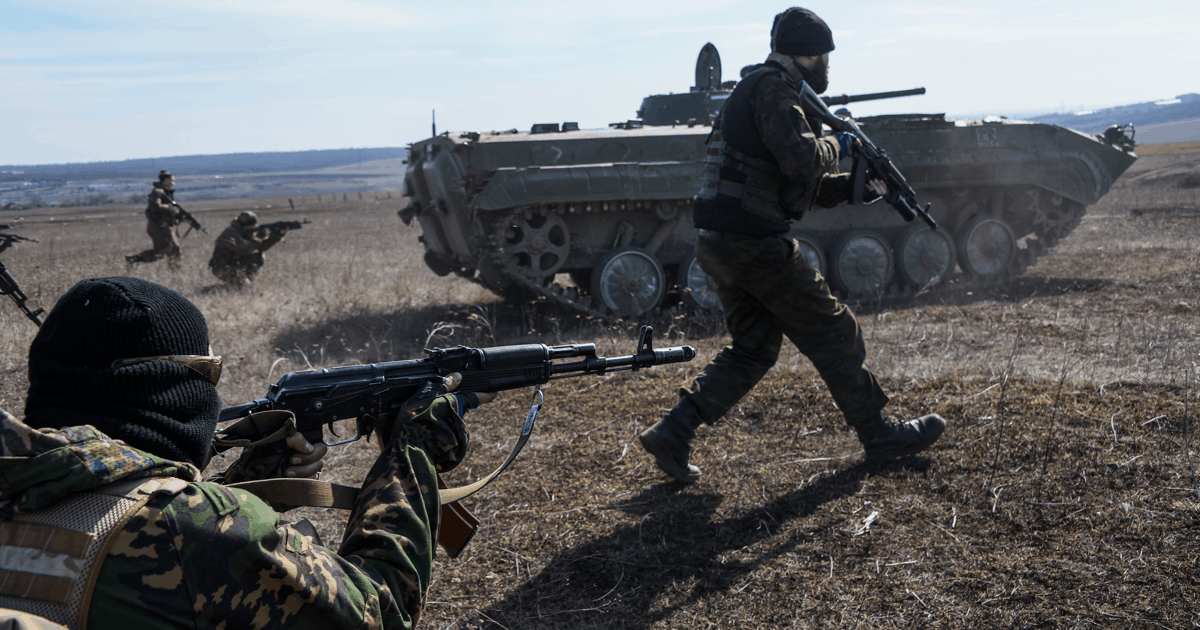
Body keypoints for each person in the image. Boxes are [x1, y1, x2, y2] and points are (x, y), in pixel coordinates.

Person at [0, 276, 487, 628]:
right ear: (160, 384)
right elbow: (380, 612)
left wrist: (249, 481)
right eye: (209, 370)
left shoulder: (22, 481)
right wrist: (413, 448)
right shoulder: (203, 528)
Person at [638, 7, 945, 484]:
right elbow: (803, 160)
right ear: (808, 53)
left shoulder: (766, 92)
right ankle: (878, 435)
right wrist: (843, 143)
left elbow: (796, 187)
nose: (828, 66)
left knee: (754, 348)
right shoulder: (773, 90)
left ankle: (672, 431)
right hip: (753, 244)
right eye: (825, 56)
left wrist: (854, 188)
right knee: (836, 330)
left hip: (723, 242)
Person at [209, 211, 283, 286]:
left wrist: (276, 236)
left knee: (259, 257)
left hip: (235, 264)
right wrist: (258, 237)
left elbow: (261, 248)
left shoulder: (243, 232)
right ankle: (213, 289)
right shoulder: (231, 232)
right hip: (222, 268)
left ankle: (247, 279)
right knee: (245, 287)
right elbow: (246, 250)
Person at [126, 171, 183, 266]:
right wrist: (169, 207)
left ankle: (132, 260)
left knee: (159, 253)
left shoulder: (165, 192)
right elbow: (155, 206)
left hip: (159, 226)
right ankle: (176, 271)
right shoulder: (158, 192)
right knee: (174, 248)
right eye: (172, 180)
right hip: (158, 226)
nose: (173, 182)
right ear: (166, 180)